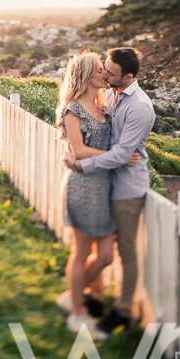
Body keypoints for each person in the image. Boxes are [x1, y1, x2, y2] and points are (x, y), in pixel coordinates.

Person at [63, 47, 156, 337]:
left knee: (122, 252)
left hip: (125, 187)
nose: (105, 74)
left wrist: (82, 163)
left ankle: (123, 311)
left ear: (128, 77)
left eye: (110, 72)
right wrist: (78, 157)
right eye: (103, 69)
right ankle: (81, 299)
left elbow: (119, 154)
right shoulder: (111, 95)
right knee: (89, 252)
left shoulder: (139, 106)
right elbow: (90, 143)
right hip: (100, 185)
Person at [55, 51, 118, 336]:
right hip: (82, 186)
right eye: (99, 70)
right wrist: (116, 156)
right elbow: (78, 151)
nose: (104, 74)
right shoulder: (73, 109)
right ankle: (77, 312)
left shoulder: (103, 106)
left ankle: (74, 293)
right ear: (85, 75)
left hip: (104, 188)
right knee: (82, 253)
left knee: (105, 256)